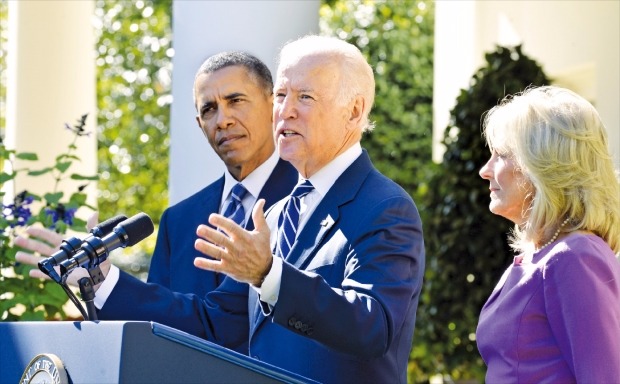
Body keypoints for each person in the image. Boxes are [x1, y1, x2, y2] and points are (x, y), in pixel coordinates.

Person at [89, 35, 425, 383]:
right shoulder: (277, 215)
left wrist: (270, 275)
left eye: (305, 97)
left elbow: (372, 326)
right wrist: (102, 282)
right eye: (281, 95)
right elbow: (214, 324)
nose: (286, 110)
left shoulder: (386, 207)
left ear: (354, 111)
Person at [14, 52, 298, 302]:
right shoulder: (179, 221)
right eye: (208, 109)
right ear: (200, 125)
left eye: (235, 100)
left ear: (274, 106)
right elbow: (156, 333)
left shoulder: (308, 196)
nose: (222, 119)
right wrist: (99, 279)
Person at [476, 85, 620, 382]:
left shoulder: (575, 257)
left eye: (500, 155)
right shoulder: (540, 255)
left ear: (543, 165)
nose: (485, 170)